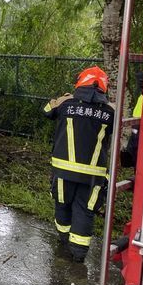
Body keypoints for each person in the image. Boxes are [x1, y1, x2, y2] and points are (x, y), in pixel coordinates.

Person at [43, 66, 114, 262]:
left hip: (64, 171)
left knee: (62, 205)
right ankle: (78, 255)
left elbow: (47, 110)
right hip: (93, 176)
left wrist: (63, 97)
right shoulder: (110, 112)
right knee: (85, 211)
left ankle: (63, 240)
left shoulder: (66, 103)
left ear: (80, 83)